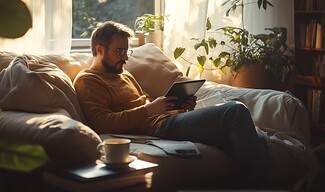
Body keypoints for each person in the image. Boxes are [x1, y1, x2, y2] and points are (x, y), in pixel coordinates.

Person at [73, 21, 271, 187]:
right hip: (159, 128)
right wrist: (149, 110)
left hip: (169, 119)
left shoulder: (124, 74)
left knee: (255, 136)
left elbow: (148, 104)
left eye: (127, 51)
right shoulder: (88, 80)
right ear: (99, 49)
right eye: (119, 51)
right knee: (235, 111)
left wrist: (179, 106)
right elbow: (102, 122)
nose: (125, 57)